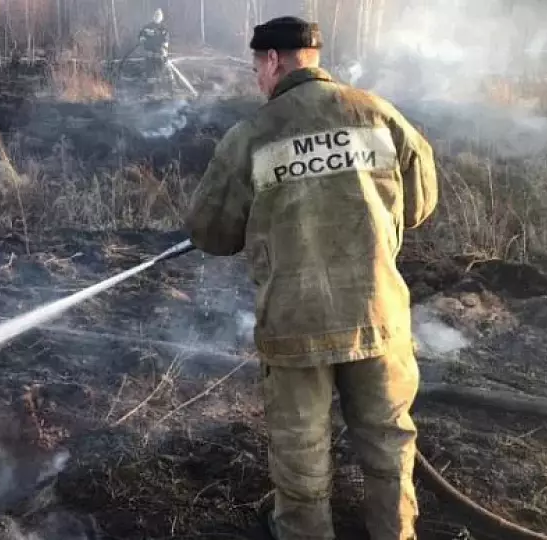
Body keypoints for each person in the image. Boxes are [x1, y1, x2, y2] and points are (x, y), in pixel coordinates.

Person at [185, 16, 438, 540]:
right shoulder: (378, 113)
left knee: (302, 466)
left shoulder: (251, 136)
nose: (258, 79)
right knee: (389, 449)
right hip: (378, 319)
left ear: (274, 60)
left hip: (296, 329)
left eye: (257, 67)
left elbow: (211, 232)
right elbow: (420, 204)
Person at [137, 9, 173, 85]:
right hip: (150, 54)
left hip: (160, 54)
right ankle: (151, 87)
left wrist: (164, 51)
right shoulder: (147, 27)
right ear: (153, 16)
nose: (157, 16)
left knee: (162, 69)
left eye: (159, 15)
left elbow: (166, 40)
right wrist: (142, 38)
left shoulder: (163, 28)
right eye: (156, 15)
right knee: (150, 72)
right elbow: (141, 35)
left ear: (161, 17)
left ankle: (166, 85)